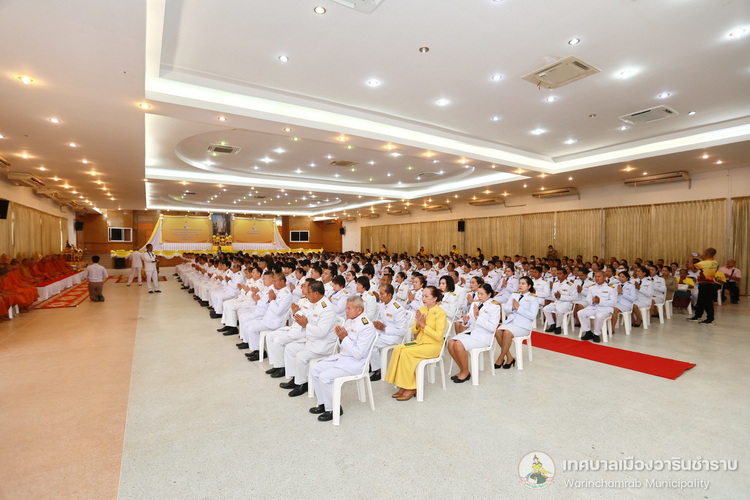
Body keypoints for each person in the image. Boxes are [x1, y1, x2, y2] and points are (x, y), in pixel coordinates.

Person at [309, 295, 377, 422]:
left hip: (356, 363)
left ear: (359, 310)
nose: (346, 311)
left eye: (349, 309)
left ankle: (333, 409)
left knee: (324, 377)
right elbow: (343, 346)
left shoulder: (366, 326)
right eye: (346, 308)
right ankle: (323, 403)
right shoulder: (350, 320)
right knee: (315, 369)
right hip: (344, 358)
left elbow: (358, 354)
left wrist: (344, 337)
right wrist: (341, 338)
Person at [385, 286, 446, 401]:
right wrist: (418, 324)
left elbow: (439, 336)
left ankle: (411, 387)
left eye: (426, 296)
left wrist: (423, 325)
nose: (423, 298)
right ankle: (402, 385)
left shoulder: (440, 313)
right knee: (398, 348)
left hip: (433, 346)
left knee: (407, 353)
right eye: (422, 296)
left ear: (435, 298)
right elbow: (414, 330)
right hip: (420, 342)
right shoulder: (422, 309)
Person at [279, 281, 338, 397]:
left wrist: (305, 325)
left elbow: (321, 332)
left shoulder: (327, 308)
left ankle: (302, 384)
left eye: (309, 292)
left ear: (316, 293)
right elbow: (306, 319)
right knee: (290, 348)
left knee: (301, 356)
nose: (306, 294)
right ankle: (295, 378)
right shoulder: (313, 303)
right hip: (311, 340)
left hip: (322, 344)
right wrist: (299, 318)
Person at [448, 283, 501, 383]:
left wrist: (478, 317)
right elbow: (470, 321)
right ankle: (463, 369)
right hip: (471, 332)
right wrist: (466, 321)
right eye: (478, 293)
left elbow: (492, 327)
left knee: (458, 344)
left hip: (483, 336)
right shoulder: (475, 304)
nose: (479, 296)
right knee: (451, 343)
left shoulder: (494, 307)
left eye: (482, 294)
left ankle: (465, 372)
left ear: (489, 294)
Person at [494, 276, 539, 368]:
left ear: (529, 286)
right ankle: (509, 357)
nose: (520, 285)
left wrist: (519, 308)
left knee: (507, 333)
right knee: (498, 332)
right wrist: (513, 307)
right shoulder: (514, 295)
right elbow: (506, 308)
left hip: (523, 325)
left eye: (523, 284)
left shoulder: (533, 298)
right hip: (511, 322)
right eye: (519, 283)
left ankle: (501, 357)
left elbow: (532, 315)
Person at [369, 284, 409, 381]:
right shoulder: (383, 305)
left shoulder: (398, 309)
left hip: (394, 337)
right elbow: (383, 319)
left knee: (371, 343)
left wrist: (384, 328)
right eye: (379, 293)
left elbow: (402, 331)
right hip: (384, 333)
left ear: (390, 295)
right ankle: (373, 364)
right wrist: (378, 324)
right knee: (366, 336)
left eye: (382, 294)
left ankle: (379, 370)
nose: (380, 296)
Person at [578, 271, 617, 342]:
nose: (597, 278)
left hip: (605, 309)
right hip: (593, 307)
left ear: (604, 277)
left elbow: (613, 302)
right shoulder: (591, 287)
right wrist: (593, 301)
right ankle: (588, 332)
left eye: (599, 276)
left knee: (599, 316)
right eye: (595, 277)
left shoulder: (611, 288)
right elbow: (588, 299)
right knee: (580, 313)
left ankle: (596, 334)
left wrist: (600, 301)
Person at [688, 248, 721, 325]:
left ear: (706, 254)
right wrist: (701, 257)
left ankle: (710, 319)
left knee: (707, 302)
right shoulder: (714, 262)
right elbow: (706, 263)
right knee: (700, 301)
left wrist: (690, 258)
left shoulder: (704, 263)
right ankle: (698, 315)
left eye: (704, 253)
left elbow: (691, 267)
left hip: (705, 284)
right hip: (709, 284)